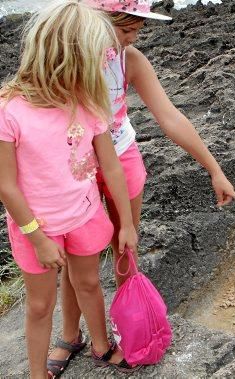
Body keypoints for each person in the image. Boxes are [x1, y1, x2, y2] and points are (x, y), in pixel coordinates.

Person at [47, 0, 235, 370]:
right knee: (78, 260)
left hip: (122, 158)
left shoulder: (129, 60)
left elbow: (170, 116)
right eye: (124, 31)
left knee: (126, 248)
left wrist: (213, 169)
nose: (128, 40)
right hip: (78, 166)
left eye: (135, 33)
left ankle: (129, 330)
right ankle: (71, 335)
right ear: (95, 21)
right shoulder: (65, 63)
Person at [0, 1, 140, 377]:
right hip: (37, 229)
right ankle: (35, 373)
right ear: (65, 58)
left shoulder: (87, 101)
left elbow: (110, 165)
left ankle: (100, 345)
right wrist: (38, 238)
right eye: (95, 57)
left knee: (89, 282)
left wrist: (126, 223)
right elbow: (6, 186)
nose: (102, 65)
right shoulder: (9, 110)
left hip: (84, 214)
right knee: (40, 305)